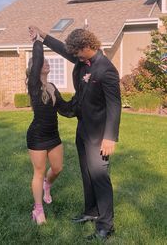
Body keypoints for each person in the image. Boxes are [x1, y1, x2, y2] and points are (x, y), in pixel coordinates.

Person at [28, 26, 121, 240]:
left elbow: (115, 104)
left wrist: (110, 136)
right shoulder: (81, 60)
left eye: (77, 52)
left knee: (100, 176)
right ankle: (91, 211)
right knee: (87, 174)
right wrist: (43, 36)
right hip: (83, 129)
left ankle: (106, 225)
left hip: (99, 135)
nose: (75, 56)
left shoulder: (106, 70)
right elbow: (63, 49)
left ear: (87, 47)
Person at [26, 32, 74, 225]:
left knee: (57, 168)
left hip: (53, 135)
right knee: (38, 171)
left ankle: (48, 185)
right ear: (35, 68)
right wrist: (38, 39)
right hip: (37, 136)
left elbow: (65, 109)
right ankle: (38, 210)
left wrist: (84, 97)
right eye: (42, 62)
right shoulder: (33, 85)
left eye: (47, 62)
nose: (46, 63)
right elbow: (37, 58)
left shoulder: (52, 86)